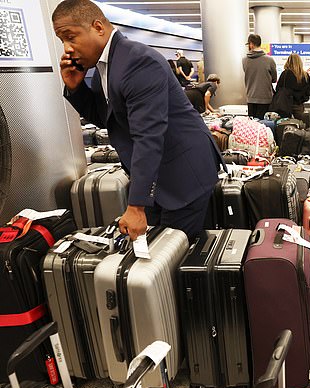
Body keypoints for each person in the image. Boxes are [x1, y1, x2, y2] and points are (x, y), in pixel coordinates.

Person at [53, 0, 222, 240]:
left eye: (71, 37)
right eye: (62, 41)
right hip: (158, 174)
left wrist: (136, 206)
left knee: (173, 254)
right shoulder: (105, 66)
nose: (67, 48)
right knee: (155, 248)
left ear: (98, 27)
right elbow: (107, 120)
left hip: (184, 172)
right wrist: (76, 88)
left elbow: (149, 135)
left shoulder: (137, 61)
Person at [243, 34, 277, 119]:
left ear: (251, 44)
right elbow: (274, 79)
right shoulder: (269, 60)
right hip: (265, 98)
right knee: (264, 125)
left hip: (250, 97)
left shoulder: (244, 60)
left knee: (252, 125)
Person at [276, 53, 310, 120]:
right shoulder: (305, 75)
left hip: (285, 104)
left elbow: (278, 89)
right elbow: (309, 91)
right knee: (300, 125)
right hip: (299, 105)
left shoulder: (285, 74)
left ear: (288, 61)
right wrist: (301, 98)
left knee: (285, 125)